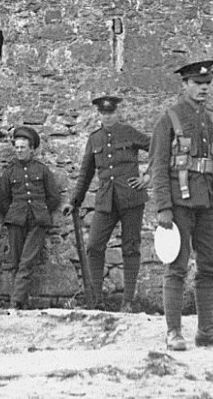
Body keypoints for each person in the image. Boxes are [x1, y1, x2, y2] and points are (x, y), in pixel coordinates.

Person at [149, 58, 213, 350]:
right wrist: (163, 206)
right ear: (184, 84)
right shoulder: (170, 118)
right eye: (198, 84)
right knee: (176, 267)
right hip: (179, 204)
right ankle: (173, 332)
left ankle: (207, 331)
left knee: (209, 267)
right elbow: (159, 166)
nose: (204, 89)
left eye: (207, 84)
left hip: (210, 203)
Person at [63, 94, 149, 311]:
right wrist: (75, 201)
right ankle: (96, 300)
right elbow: (85, 172)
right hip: (106, 200)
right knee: (94, 246)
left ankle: (127, 302)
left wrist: (147, 178)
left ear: (117, 113)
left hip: (131, 198)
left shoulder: (129, 132)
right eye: (103, 113)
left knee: (130, 247)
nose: (107, 116)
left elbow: (159, 149)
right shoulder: (94, 139)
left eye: (111, 112)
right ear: (99, 114)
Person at [0, 126, 60, 309]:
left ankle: (14, 303)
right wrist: (13, 212)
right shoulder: (9, 172)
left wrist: (42, 210)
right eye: (17, 148)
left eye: (23, 148)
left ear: (32, 149)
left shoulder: (42, 170)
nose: (19, 151)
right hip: (16, 220)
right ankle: (22, 303)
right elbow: (3, 199)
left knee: (26, 261)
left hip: (38, 221)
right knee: (16, 262)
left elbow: (54, 196)